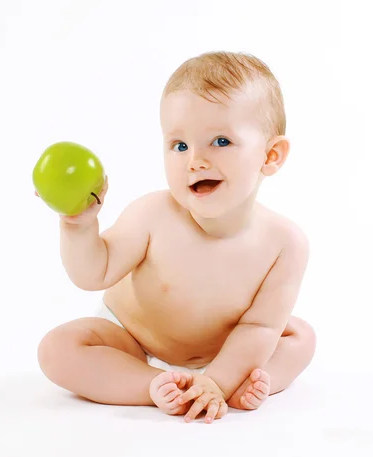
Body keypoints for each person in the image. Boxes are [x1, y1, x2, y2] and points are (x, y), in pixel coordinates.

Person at [36, 51, 317, 423]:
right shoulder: (151, 214)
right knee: (59, 348)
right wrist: (78, 226)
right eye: (180, 145)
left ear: (271, 155)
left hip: (228, 348)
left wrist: (219, 375)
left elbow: (258, 327)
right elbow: (93, 274)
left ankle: (242, 380)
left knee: (299, 338)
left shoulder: (285, 243)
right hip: (132, 340)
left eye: (220, 141)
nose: (194, 160)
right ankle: (154, 385)